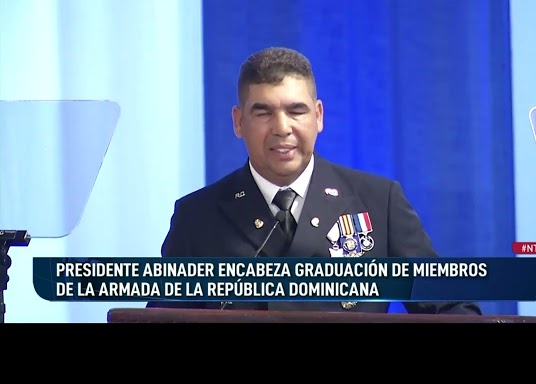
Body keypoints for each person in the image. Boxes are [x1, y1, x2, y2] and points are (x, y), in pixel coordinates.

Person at [149, 46, 482, 315]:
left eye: (296, 111)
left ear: (318, 116)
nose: (282, 127)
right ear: (238, 122)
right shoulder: (198, 216)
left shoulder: (380, 202)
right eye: (263, 112)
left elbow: (449, 307)